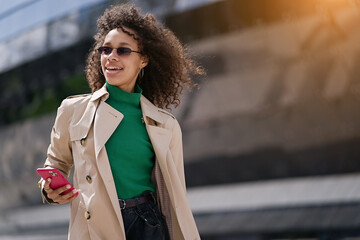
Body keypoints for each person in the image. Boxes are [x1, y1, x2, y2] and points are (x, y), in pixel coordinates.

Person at [38, 3, 204, 240]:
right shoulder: (73, 110)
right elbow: (55, 164)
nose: (111, 57)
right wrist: (49, 189)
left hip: (148, 224)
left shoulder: (165, 125)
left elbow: (175, 197)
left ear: (144, 60)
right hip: (95, 226)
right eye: (106, 50)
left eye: (123, 51)